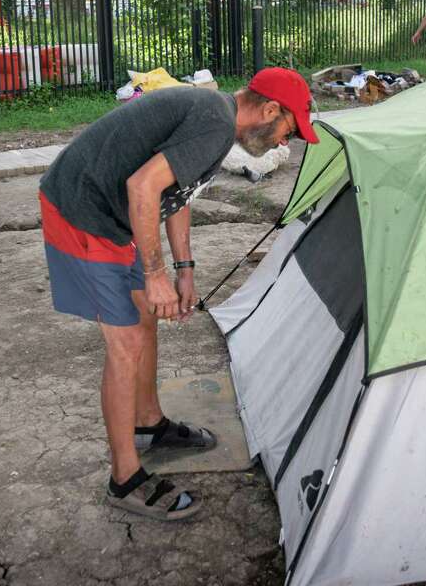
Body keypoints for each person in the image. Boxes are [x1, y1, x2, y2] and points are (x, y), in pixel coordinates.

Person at [38, 67, 319, 521]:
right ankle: (124, 478)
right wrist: (155, 274)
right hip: (83, 211)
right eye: (289, 129)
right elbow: (142, 186)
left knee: (145, 318)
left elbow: (176, 193)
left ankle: (148, 424)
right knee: (126, 343)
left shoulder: (219, 123)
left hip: (115, 214)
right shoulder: (213, 121)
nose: (285, 142)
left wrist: (183, 270)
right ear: (269, 110)